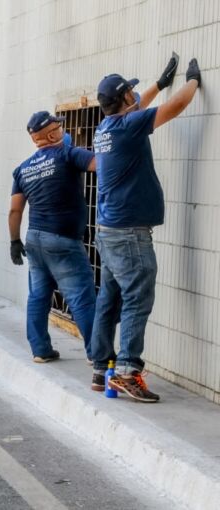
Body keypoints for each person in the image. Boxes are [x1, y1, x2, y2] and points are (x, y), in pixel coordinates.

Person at [89, 57, 201, 403]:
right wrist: (192, 81)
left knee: (109, 298)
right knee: (138, 297)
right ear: (124, 99)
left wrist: (159, 81)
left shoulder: (105, 128)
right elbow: (177, 106)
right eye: (132, 91)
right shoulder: (128, 126)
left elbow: (137, 107)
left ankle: (100, 367)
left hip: (108, 229)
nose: (137, 94)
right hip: (130, 234)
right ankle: (126, 372)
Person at [8, 111, 97, 363]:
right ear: (52, 134)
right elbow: (102, 164)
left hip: (34, 239)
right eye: (59, 127)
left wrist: (14, 241)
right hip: (63, 241)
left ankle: (40, 350)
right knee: (81, 297)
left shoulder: (22, 169)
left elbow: (15, 210)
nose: (62, 130)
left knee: (38, 296)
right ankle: (97, 353)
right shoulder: (68, 154)